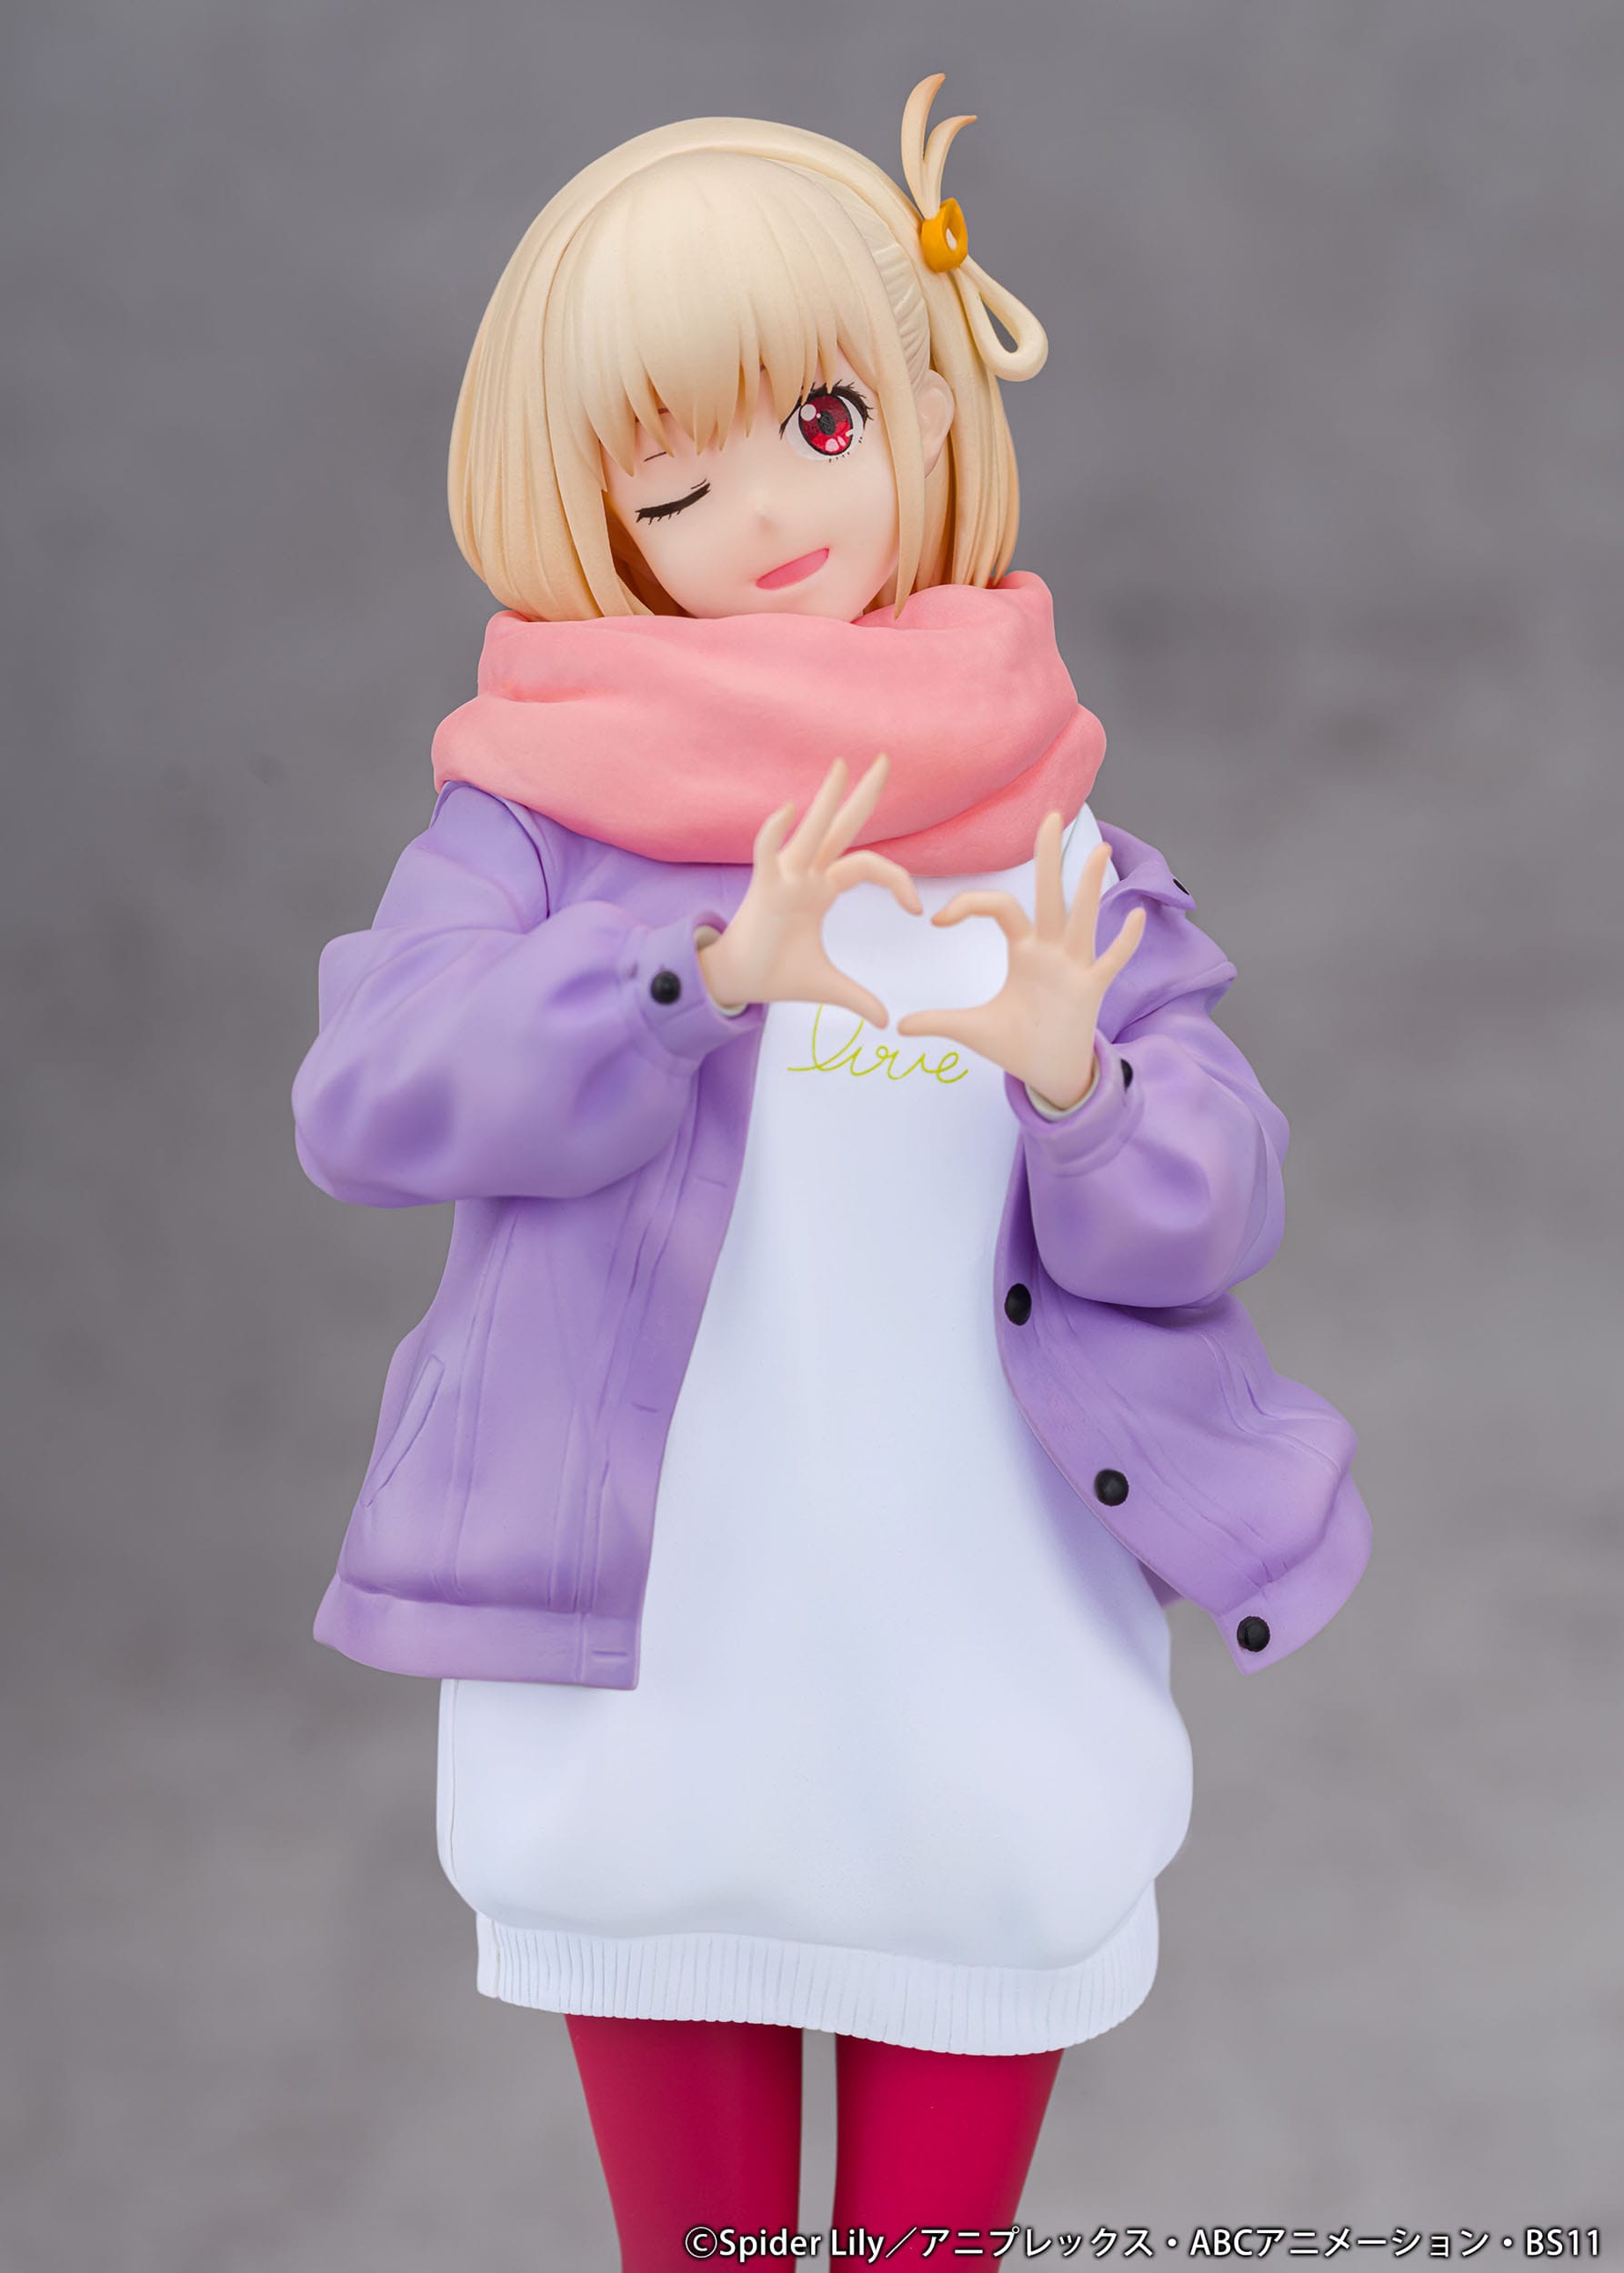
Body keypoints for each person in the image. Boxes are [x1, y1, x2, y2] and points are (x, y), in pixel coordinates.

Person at [291, 73, 1370, 2268]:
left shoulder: (1049, 836)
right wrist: (684, 977)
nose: (774, 512)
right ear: (589, 510)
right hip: (653, 1700)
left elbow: (1212, 1208)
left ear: (922, 406)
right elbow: (369, 1096)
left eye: (818, 422)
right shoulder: (536, 820)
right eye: (676, 475)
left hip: (976, 1690)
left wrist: (1082, 1085)